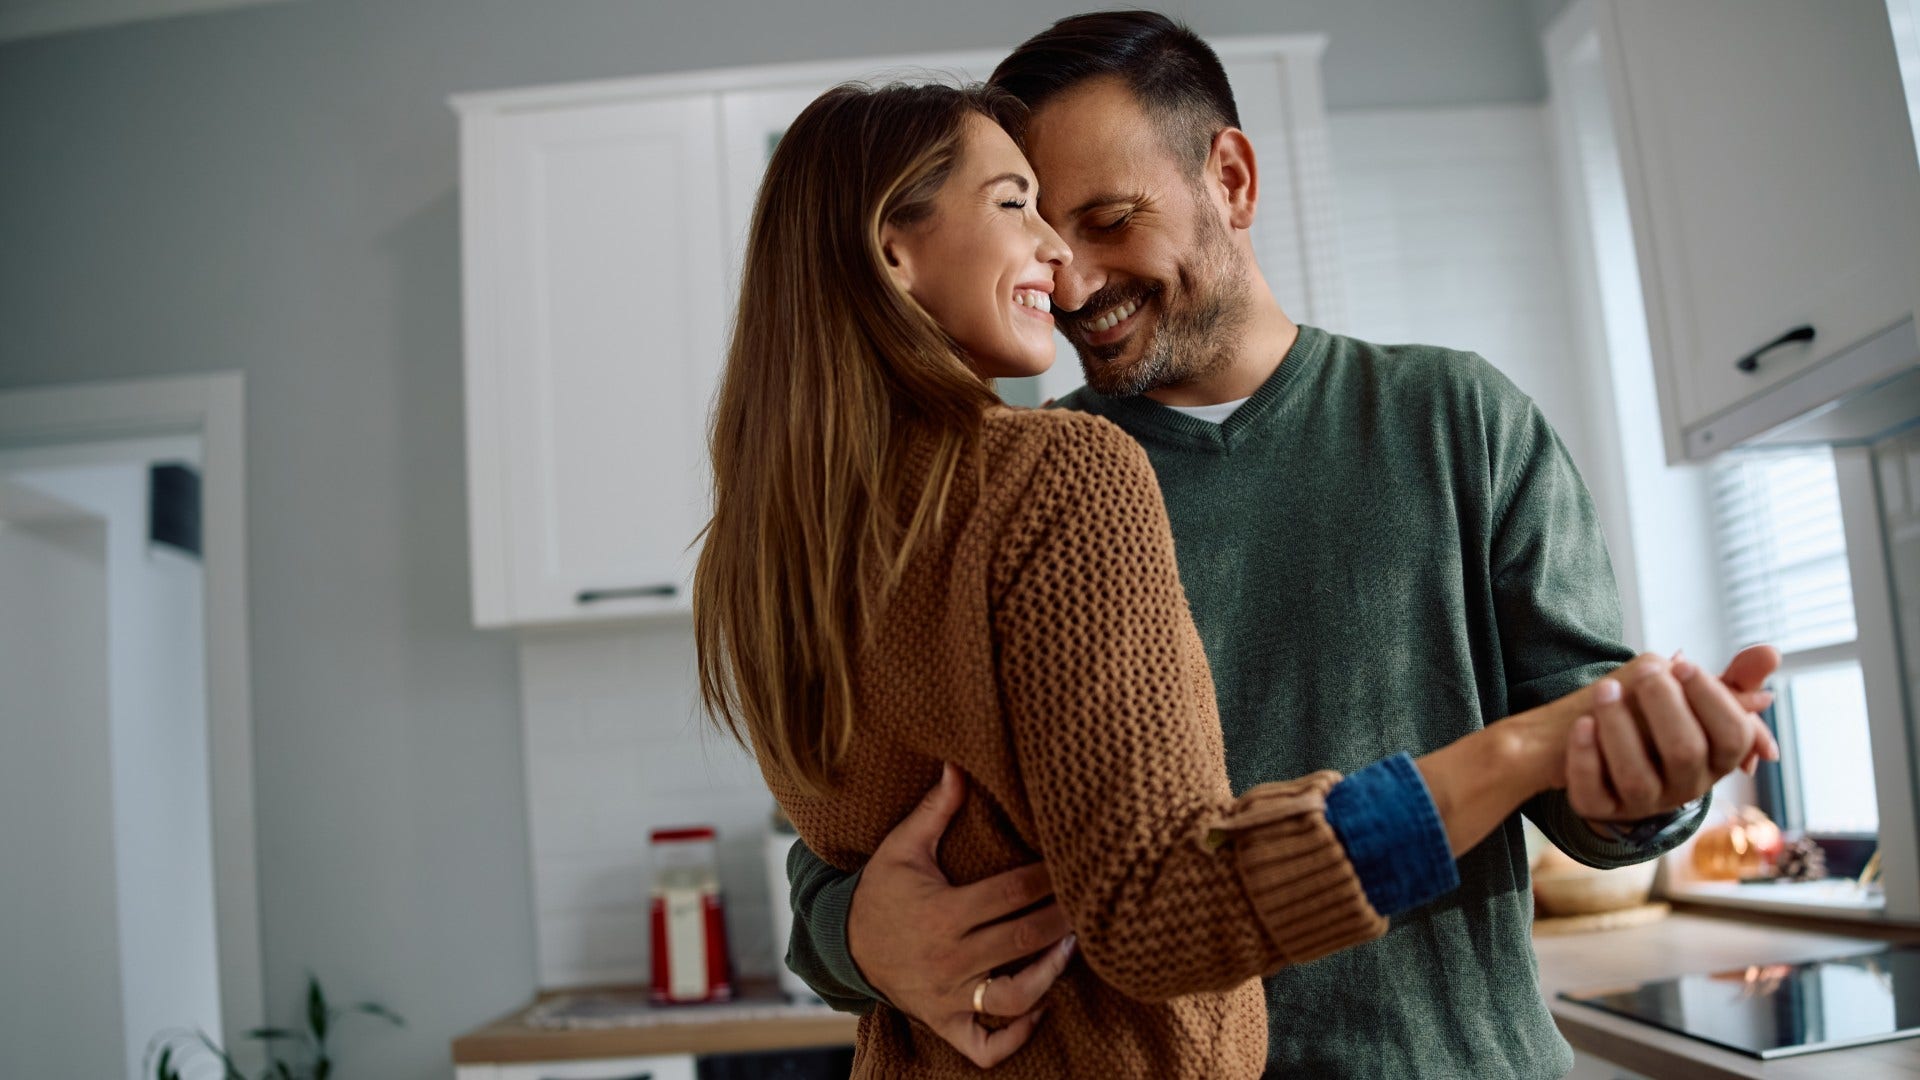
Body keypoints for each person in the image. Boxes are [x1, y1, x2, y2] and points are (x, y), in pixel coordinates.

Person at [695, 78, 1770, 1078]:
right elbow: (870, 851)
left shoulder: (1454, 421)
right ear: (899, 248)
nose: (1067, 269)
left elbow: (1594, 763)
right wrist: (856, 936)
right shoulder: (1027, 485)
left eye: (1107, 220)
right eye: (1025, 210)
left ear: (1233, 181)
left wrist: (1649, 772)